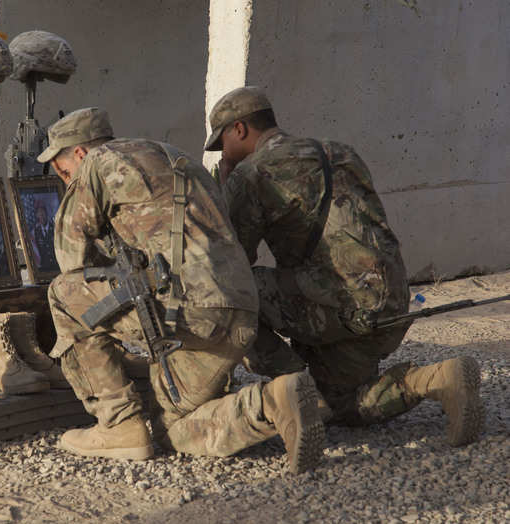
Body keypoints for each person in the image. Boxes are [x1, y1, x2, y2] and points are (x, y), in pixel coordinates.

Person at [38, 107, 325, 473]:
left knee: (63, 294)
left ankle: (117, 422)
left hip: (186, 310)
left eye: (64, 173)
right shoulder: (176, 156)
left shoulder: (97, 163)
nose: (66, 182)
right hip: (238, 312)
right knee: (171, 427)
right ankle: (271, 403)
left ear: (79, 153)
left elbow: (71, 259)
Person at [205, 86, 483, 446]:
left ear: (239, 129)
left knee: (236, 294)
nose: (221, 154)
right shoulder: (339, 151)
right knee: (343, 405)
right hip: (392, 305)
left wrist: (227, 186)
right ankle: (439, 378)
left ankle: (295, 385)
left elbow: (233, 261)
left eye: (221, 143)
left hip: (339, 309)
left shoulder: (253, 174)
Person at [31, 204, 58, 272]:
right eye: (39, 214)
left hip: (57, 264)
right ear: (37, 216)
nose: (41, 216)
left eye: (43, 213)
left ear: (46, 214)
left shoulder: (55, 228)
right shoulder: (35, 232)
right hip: (44, 267)